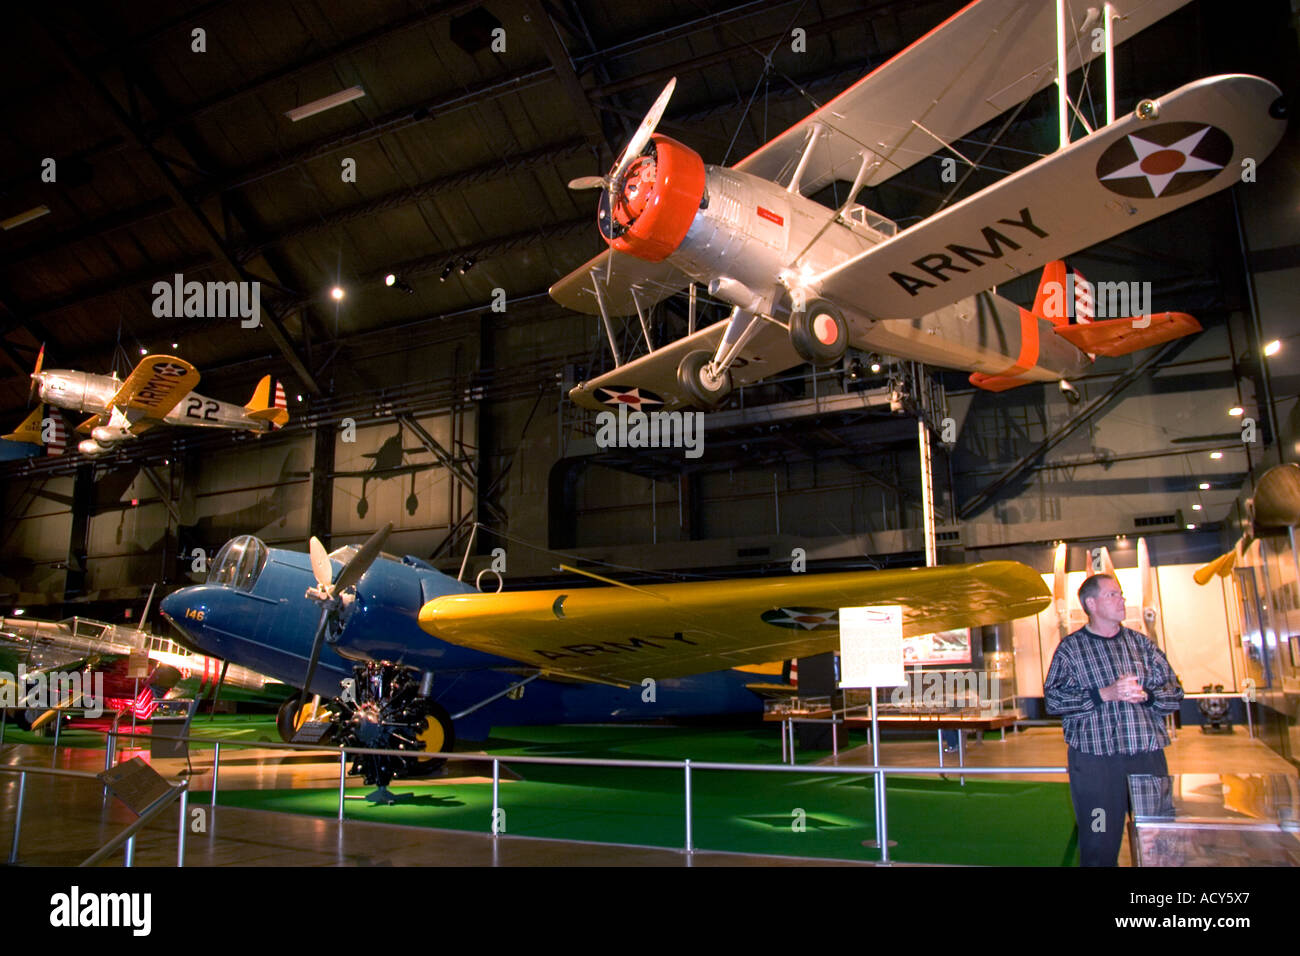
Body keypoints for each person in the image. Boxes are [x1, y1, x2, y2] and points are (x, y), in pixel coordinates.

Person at [1044, 573, 1183, 866]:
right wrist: (1102, 694)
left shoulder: (1142, 645)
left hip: (1147, 760)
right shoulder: (1071, 650)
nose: (1122, 600)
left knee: (1158, 842)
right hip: (1096, 767)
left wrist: (1149, 696)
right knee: (1099, 841)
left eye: (1121, 594)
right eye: (1113, 595)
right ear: (1091, 603)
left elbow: (1175, 691)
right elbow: (1053, 700)